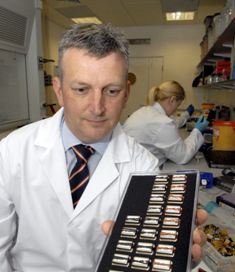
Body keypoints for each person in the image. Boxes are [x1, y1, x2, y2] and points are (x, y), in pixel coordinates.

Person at [0, 24, 207, 272]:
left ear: (127, 93)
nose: (97, 107)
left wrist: (163, 259)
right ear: (59, 90)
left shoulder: (144, 166)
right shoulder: (13, 150)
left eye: (111, 91)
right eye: (81, 89)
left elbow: (139, 259)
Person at [123, 80, 209, 166]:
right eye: (178, 105)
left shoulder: (146, 111)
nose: (176, 109)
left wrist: (186, 115)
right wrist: (197, 131)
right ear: (172, 100)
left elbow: (174, 122)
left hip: (130, 166)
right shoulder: (161, 122)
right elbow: (183, 156)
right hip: (141, 172)